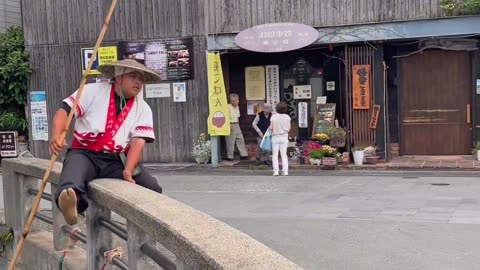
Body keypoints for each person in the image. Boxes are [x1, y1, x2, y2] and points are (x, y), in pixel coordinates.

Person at [50, 59, 163, 225]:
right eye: (133, 76)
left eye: (141, 79)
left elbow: (138, 142)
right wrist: (56, 135)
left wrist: (128, 169)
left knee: (152, 187)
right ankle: (71, 204)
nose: (138, 82)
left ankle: (149, 223)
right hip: (84, 153)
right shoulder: (92, 91)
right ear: (118, 77)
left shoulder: (143, 108)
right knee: (71, 179)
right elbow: (65, 111)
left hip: (116, 159)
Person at [269, 102, 291, 176]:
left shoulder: (273, 117)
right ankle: (285, 171)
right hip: (284, 136)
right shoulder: (287, 117)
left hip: (275, 136)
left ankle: (276, 171)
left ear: (277, 108)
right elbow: (289, 128)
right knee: (284, 154)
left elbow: (271, 128)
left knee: (275, 155)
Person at [225, 93, 248, 161]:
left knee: (240, 139)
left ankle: (243, 155)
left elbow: (238, 117)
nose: (238, 101)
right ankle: (230, 156)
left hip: (236, 124)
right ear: (232, 101)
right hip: (230, 124)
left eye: (238, 100)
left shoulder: (237, 107)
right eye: (236, 100)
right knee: (230, 141)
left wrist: (238, 124)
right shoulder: (227, 107)